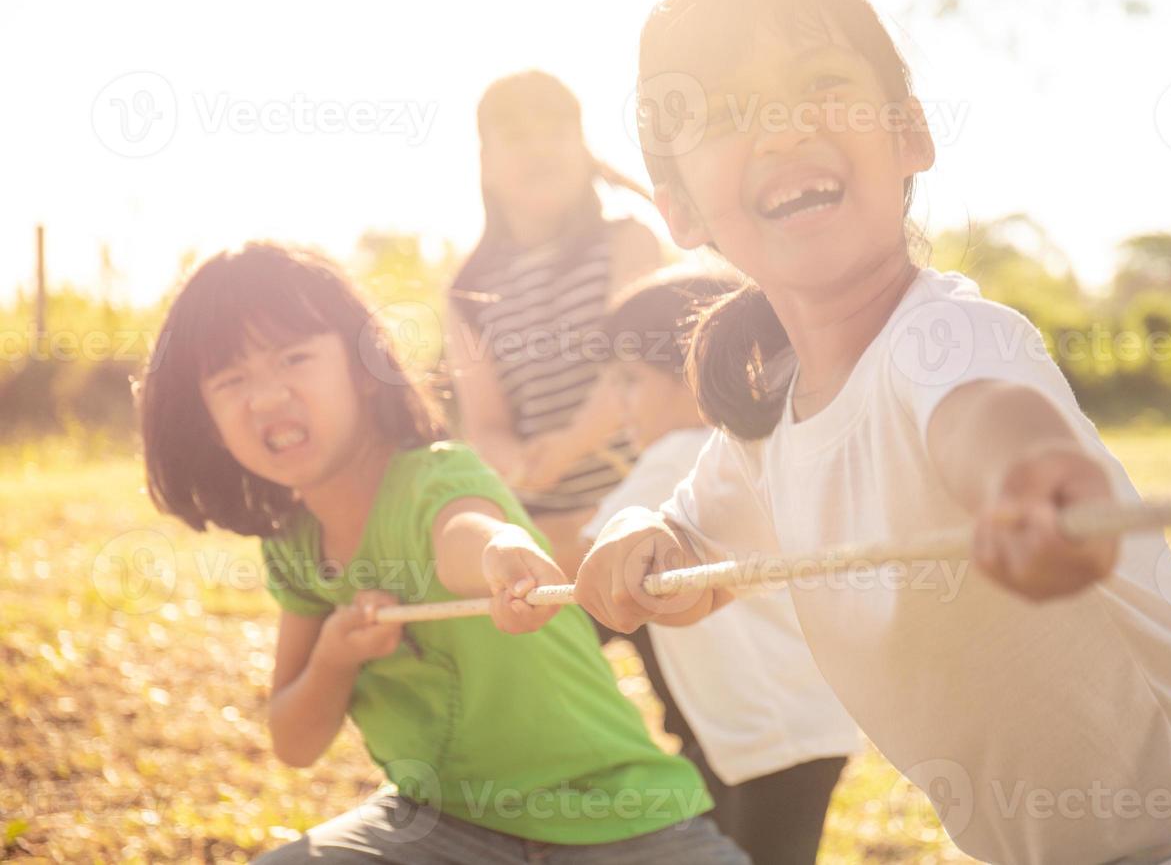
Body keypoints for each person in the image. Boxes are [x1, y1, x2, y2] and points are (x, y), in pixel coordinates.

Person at [570, 0, 1171, 864]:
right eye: (724, 114)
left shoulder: (946, 338)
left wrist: (1029, 482)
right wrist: (638, 544)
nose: (784, 126)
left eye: (822, 84)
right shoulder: (764, 431)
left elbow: (983, 418)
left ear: (910, 132)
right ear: (678, 207)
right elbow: (692, 555)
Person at [138, 242, 747, 864]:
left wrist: (504, 551)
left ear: (363, 370)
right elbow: (293, 742)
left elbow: (465, 533)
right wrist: (332, 660)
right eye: (231, 380)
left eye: (293, 358)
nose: (265, 397)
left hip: (619, 819)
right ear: (205, 418)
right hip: (440, 827)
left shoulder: (436, 478)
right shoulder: (293, 548)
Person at [584, 268, 862, 865]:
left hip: (767, 731)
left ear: (697, 372)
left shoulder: (676, 457)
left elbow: (587, 574)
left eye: (630, 381)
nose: (617, 406)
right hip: (778, 727)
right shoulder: (745, 459)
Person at [447, 70, 662, 570]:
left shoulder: (627, 243)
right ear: (486, 164)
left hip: (648, 509)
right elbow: (485, 424)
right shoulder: (466, 291)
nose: (539, 148)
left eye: (555, 132)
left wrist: (569, 447)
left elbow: (635, 369)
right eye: (517, 136)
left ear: (584, 150)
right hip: (544, 533)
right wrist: (523, 467)